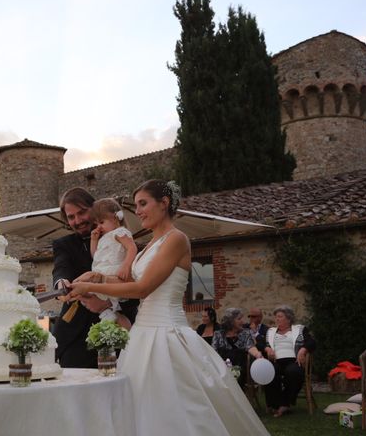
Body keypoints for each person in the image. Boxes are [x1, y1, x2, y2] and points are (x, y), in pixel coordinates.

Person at [68, 180, 269, 435]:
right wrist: (92, 278)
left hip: (167, 332)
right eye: (136, 205)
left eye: (143, 203)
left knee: (179, 407)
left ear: (163, 204)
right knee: (140, 405)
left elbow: (142, 289)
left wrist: (91, 289)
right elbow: (127, 281)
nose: (137, 211)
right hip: (142, 333)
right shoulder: (148, 247)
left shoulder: (176, 240)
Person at [52, 187, 139, 368]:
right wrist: (61, 282)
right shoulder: (63, 244)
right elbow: (61, 267)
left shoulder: (122, 240)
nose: (77, 221)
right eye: (71, 217)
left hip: (117, 331)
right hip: (75, 338)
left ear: (94, 208)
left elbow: (136, 285)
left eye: (82, 213)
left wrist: (107, 305)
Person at [77, 198, 137, 327]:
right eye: (96, 223)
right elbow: (96, 256)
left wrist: (126, 265)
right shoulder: (104, 238)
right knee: (84, 295)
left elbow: (132, 248)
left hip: (114, 273)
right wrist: (94, 240)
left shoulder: (120, 232)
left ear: (116, 218)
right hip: (101, 272)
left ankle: (115, 318)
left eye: (102, 222)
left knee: (106, 298)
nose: (99, 227)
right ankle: (110, 316)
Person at [263, 305, 316, 417]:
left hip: (294, 360)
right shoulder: (270, 331)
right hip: (276, 361)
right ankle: (275, 404)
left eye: (280, 316)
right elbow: (260, 343)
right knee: (269, 372)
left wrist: (302, 350)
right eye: (276, 317)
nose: (277, 319)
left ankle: (284, 403)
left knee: (293, 372)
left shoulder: (300, 329)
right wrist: (267, 348)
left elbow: (311, 342)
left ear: (288, 318)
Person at [213, 307, 263, 387]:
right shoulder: (218, 334)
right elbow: (213, 352)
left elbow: (250, 346)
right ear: (231, 321)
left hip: (239, 367)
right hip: (222, 366)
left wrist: (257, 354)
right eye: (239, 319)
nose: (242, 322)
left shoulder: (246, 333)